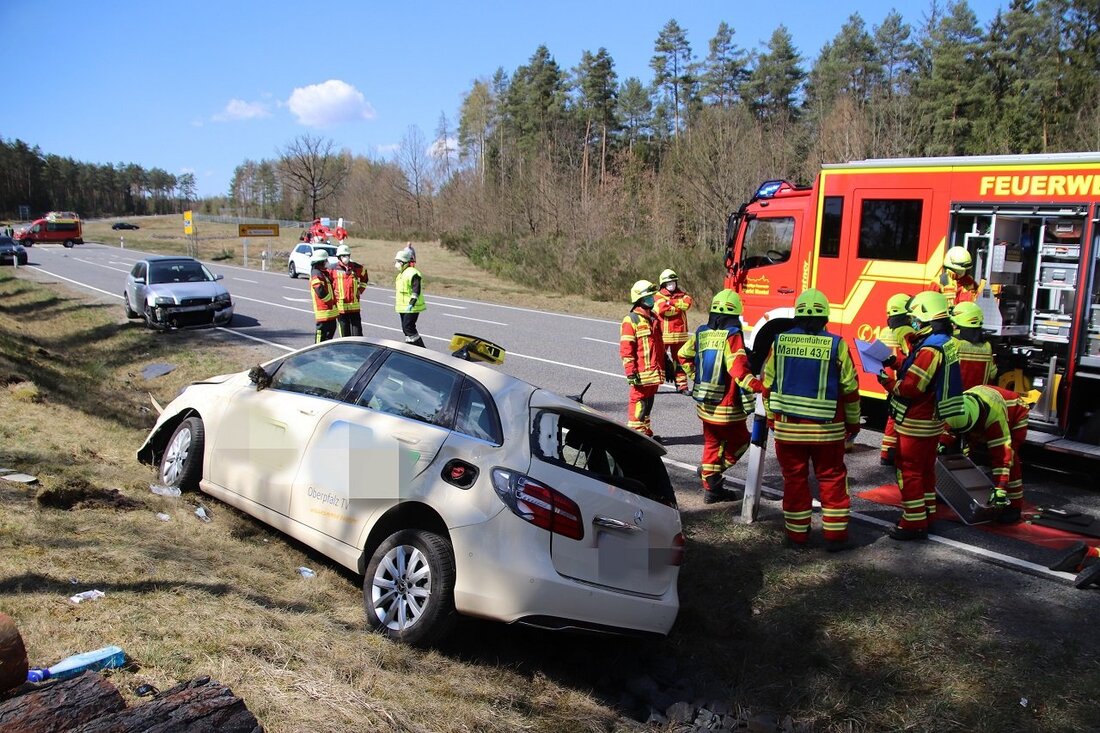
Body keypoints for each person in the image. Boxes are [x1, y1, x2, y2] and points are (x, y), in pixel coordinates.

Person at [761, 289, 861, 549]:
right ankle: (836, 537)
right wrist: (852, 424)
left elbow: (767, 385)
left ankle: (796, 536)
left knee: (794, 481)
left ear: (797, 315)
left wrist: (773, 419)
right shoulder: (837, 345)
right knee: (832, 479)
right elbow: (850, 390)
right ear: (826, 317)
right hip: (827, 432)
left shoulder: (779, 342)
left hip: (788, 431)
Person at [879, 290, 966, 540]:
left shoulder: (931, 349)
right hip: (932, 420)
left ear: (926, 318)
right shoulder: (944, 342)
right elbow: (922, 374)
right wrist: (895, 364)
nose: (912, 322)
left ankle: (913, 522)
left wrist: (887, 383)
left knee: (910, 471)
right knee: (926, 470)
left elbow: (913, 387)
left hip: (917, 420)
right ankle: (927, 513)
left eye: (915, 318)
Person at [678, 289, 763, 504]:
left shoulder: (701, 332)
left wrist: (696, 376)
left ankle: (711, 489)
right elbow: (738, 370)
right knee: (742, 442)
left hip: (705, 406)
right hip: (727, 408)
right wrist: (758, 386)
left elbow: (682, 355)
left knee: (712, 445)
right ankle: (710, 475)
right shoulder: (732, 335)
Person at [946, 384, 1030, 523]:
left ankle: (1014, 507)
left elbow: (1002, 457)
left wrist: (1001, 487)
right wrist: (943, 443)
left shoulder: (994, 417)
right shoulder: (958, 408)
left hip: (1016, 413)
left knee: (1011, 459)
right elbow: (948, 429)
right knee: (968, 454)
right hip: (984, 411)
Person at [620, 280, 664, 439]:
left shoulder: (654, 318)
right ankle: (635, 436)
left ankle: (645, 433)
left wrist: (666, 363)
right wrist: (630, 372)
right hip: (641, 373)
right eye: (649, 297)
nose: (652, 299)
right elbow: (626, 349)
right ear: (640, 299)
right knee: (638, 404)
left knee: (648, 404)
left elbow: (659, 345)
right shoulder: (631, 320)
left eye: (652, 296)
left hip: (654, 373)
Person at [879, 293, 914, 466]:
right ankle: (895, 454)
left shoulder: (886, 331)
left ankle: (887, 453)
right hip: (902, 381)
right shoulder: (906, 332)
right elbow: (911, 356)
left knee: (893, 416)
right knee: (902, 418)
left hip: (889, 382)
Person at [654, 268, 694, 395]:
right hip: (665, 335)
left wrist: (671, 302)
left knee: (680, 361)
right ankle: (653, 385)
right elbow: (664, 310)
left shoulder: (683, 294)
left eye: (674, 282)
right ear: (663, 284)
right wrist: (678, 307)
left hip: (681, 335)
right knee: (659, 360)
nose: (672, 284)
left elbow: (687, 304)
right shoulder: (658, 296)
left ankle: (682, 386)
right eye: (669, 282)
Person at [951, 302, 997, 390]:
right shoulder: (987, 346)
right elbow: (993, 374)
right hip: (978, 399)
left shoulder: (952, 341)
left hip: (954, 398)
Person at [332, 244, 367, 337]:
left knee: (357, 333)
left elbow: (365, 277)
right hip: (341, 307)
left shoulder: (356, 268)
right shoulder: (333, 269)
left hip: (354, 306)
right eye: (343, 256)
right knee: (345, 333)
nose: (346, 258)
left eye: (347, 255)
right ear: (339, 257)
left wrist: (360, 290)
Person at [394, 247, 426, 347]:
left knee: (408, 327)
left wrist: (412, 303)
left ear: (404, 262)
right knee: (405, 329)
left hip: (412, 307)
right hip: (403, 307)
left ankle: (422, 349)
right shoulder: (401, 274)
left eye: (398, 261)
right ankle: (410, 347)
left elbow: (416, 289)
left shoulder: (413, 273)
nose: (396, 264)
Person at [309, 249, 338, 343]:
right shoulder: (316, 273)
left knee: (328, 339)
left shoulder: (323, 273)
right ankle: (316, 355)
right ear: (321, 261)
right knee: (320, 340)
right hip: (323, 312)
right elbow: (319, 290)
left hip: (330, 312)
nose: (327, 262)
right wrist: (330, 301)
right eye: (326, 260)